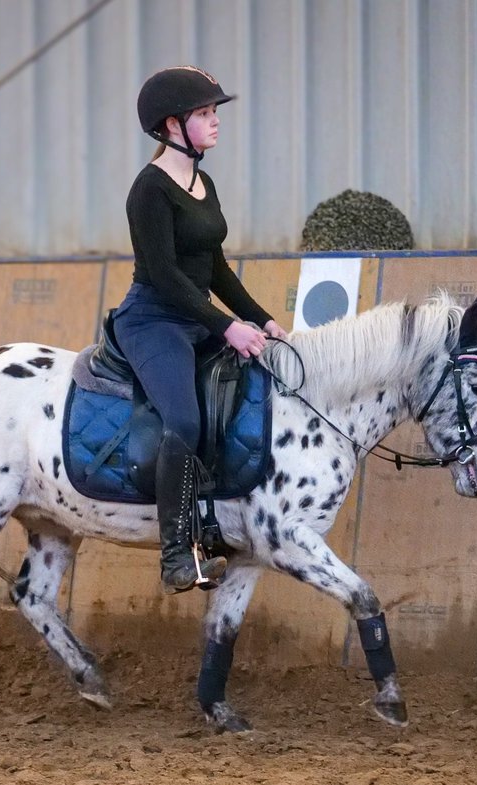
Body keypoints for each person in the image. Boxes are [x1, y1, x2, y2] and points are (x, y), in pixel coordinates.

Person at [115, 65, 288, 594]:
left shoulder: (202, 181)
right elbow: (167, 278)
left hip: (196, 317)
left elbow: (215, 268)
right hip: (154, 319)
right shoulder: (149, 190)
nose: (216, 123)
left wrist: (262, 318)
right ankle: (174, 556)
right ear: (172, 125)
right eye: (205, 114)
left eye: (215, 113)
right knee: (185, 422)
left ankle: (220, 523)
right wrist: (227, 327)